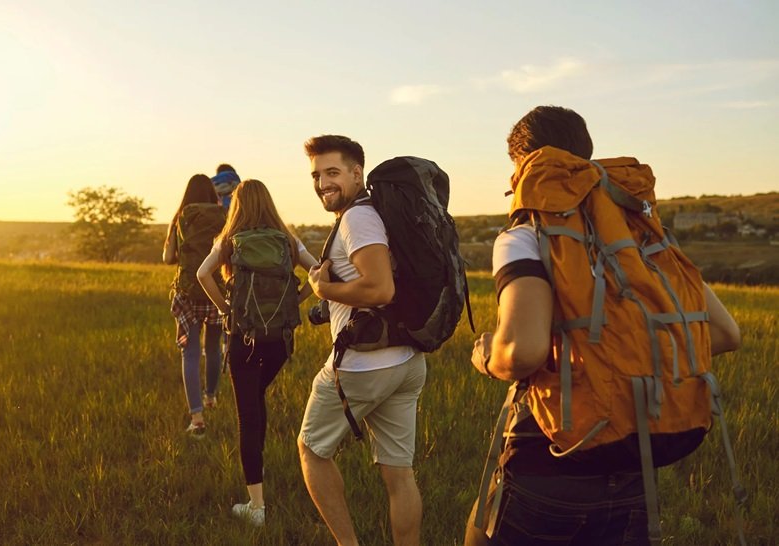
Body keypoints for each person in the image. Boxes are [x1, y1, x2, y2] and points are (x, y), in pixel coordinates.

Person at [463, 105, 742, 545]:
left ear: (524, 167)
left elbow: (522, 351)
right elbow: (726, 333)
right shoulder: (643, 237)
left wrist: (486, 357)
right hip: (636, 471)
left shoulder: (525, 234)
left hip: (550, 459)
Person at [298, 135, 427, 546]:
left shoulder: (359, 219)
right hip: (405, 361)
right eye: (317, 175)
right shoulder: (378, 214)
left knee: (311, 450)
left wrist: (323, 291)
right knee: (399, 471)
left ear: (357, 173)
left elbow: (380, 289)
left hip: (363, 365)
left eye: (332, 173)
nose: (322, 183)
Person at [197, 179, 317, 527]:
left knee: (248, 414)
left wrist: (225, 309)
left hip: (243, 338)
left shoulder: (230, 240)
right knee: (256, 399)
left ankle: (257, 506)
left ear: (238, 206)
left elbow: (203, 273)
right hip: (279, 339)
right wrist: (295, 301)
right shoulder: (286, 240)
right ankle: (258, 470)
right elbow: (319, 272)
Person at [163, 174, 227, 438]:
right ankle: (211, 397)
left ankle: (197, 418)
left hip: (188, 291)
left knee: (189, 354)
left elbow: (168, 258)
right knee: (213, 348)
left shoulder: (180, 217)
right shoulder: (224, 216)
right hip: (215, 290)